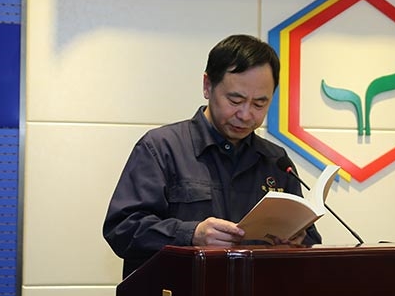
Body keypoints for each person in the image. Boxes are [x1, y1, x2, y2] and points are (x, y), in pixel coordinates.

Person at [103, 34, 322, 277]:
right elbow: (122, 230)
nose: (246, 114)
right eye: (235, 100)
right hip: (179, 295)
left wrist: (297, 242)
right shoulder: (161, 148)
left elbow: (310, 238)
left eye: (259, 104)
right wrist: (192, 234)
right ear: (208, 86)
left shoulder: (275, 161)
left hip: (255, 295)